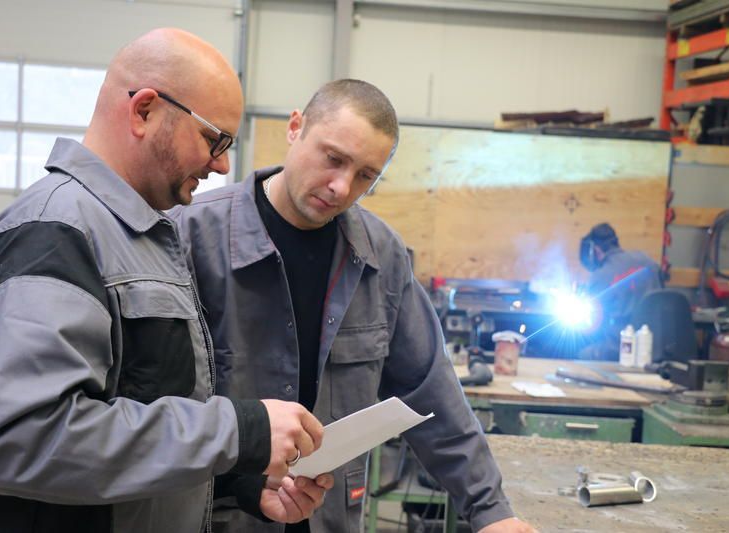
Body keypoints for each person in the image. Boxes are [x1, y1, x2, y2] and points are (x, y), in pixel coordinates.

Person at [0, 28, 332, 533]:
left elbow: (133, 423)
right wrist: (238, 432)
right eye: (213, 138)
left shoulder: (141, 236)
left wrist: (239, 481)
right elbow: (18, 440)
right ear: (145, 110)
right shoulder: (53, 235)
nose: (221, 164)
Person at [169, 79, 536, 533]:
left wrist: (492, 512)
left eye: (366, 176)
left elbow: (431, 390)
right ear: (295, 127)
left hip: (330, 517)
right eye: (334, 159)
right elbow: (153, 412)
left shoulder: (380, 256)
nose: (342, 187)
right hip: (219, 518)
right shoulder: (188, 238)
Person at [579, 222, 663, 360]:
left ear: (595, 250)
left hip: (620, 347)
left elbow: (591, 323)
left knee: (580, 353)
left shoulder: (601, 274)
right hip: (654, 345)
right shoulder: (648, 261)